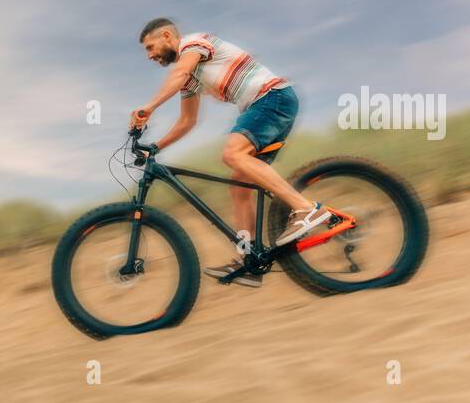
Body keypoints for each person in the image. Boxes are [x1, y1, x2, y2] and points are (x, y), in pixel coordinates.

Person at [131, 17, 331, 287]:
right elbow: (187, 121)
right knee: (239, 186)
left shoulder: (194, 44)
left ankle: (307, 209)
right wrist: (155, 148)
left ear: (167, 36)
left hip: (272, 98)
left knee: (233, 154)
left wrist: (149, 108)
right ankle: (249, 260)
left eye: (150, 47)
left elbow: (177, 75)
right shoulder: (191, 77)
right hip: (261, 108)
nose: (149, 55)